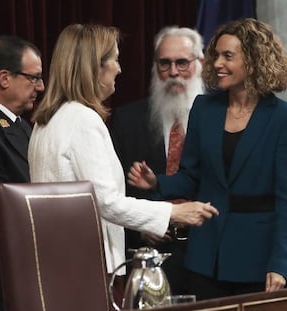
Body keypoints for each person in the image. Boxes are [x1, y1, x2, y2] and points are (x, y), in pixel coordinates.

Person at [27, 24, 218, 306]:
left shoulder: (47, 121)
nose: (119, 69)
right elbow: (107, 202)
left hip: (59, 263)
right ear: (95, 67)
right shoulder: (83, 121)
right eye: (114, 59)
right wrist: (174, 211)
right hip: (87, 267)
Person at [128, 18, 287, 300]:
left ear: (254, 60)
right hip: (205, 257)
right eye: (216, 55)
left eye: (228, 56)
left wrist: (280, 264)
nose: (218, 64)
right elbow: (191, 176)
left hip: (257, 260)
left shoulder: (285, 118)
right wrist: (156, 183)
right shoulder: (204, 108)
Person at [110, 26, 204, 294]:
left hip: (207, 256)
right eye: (165, 63)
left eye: (182, 63)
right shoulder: (127, 120)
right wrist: (140, 226)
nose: (173, 72)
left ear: (200, 64)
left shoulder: (221, 117)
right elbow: (115, 190)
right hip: (151, 260)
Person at [0, 36, 45, 311]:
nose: (40, 87)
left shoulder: (21, 125)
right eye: (33, 78)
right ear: (4, 78)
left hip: (23, 268)